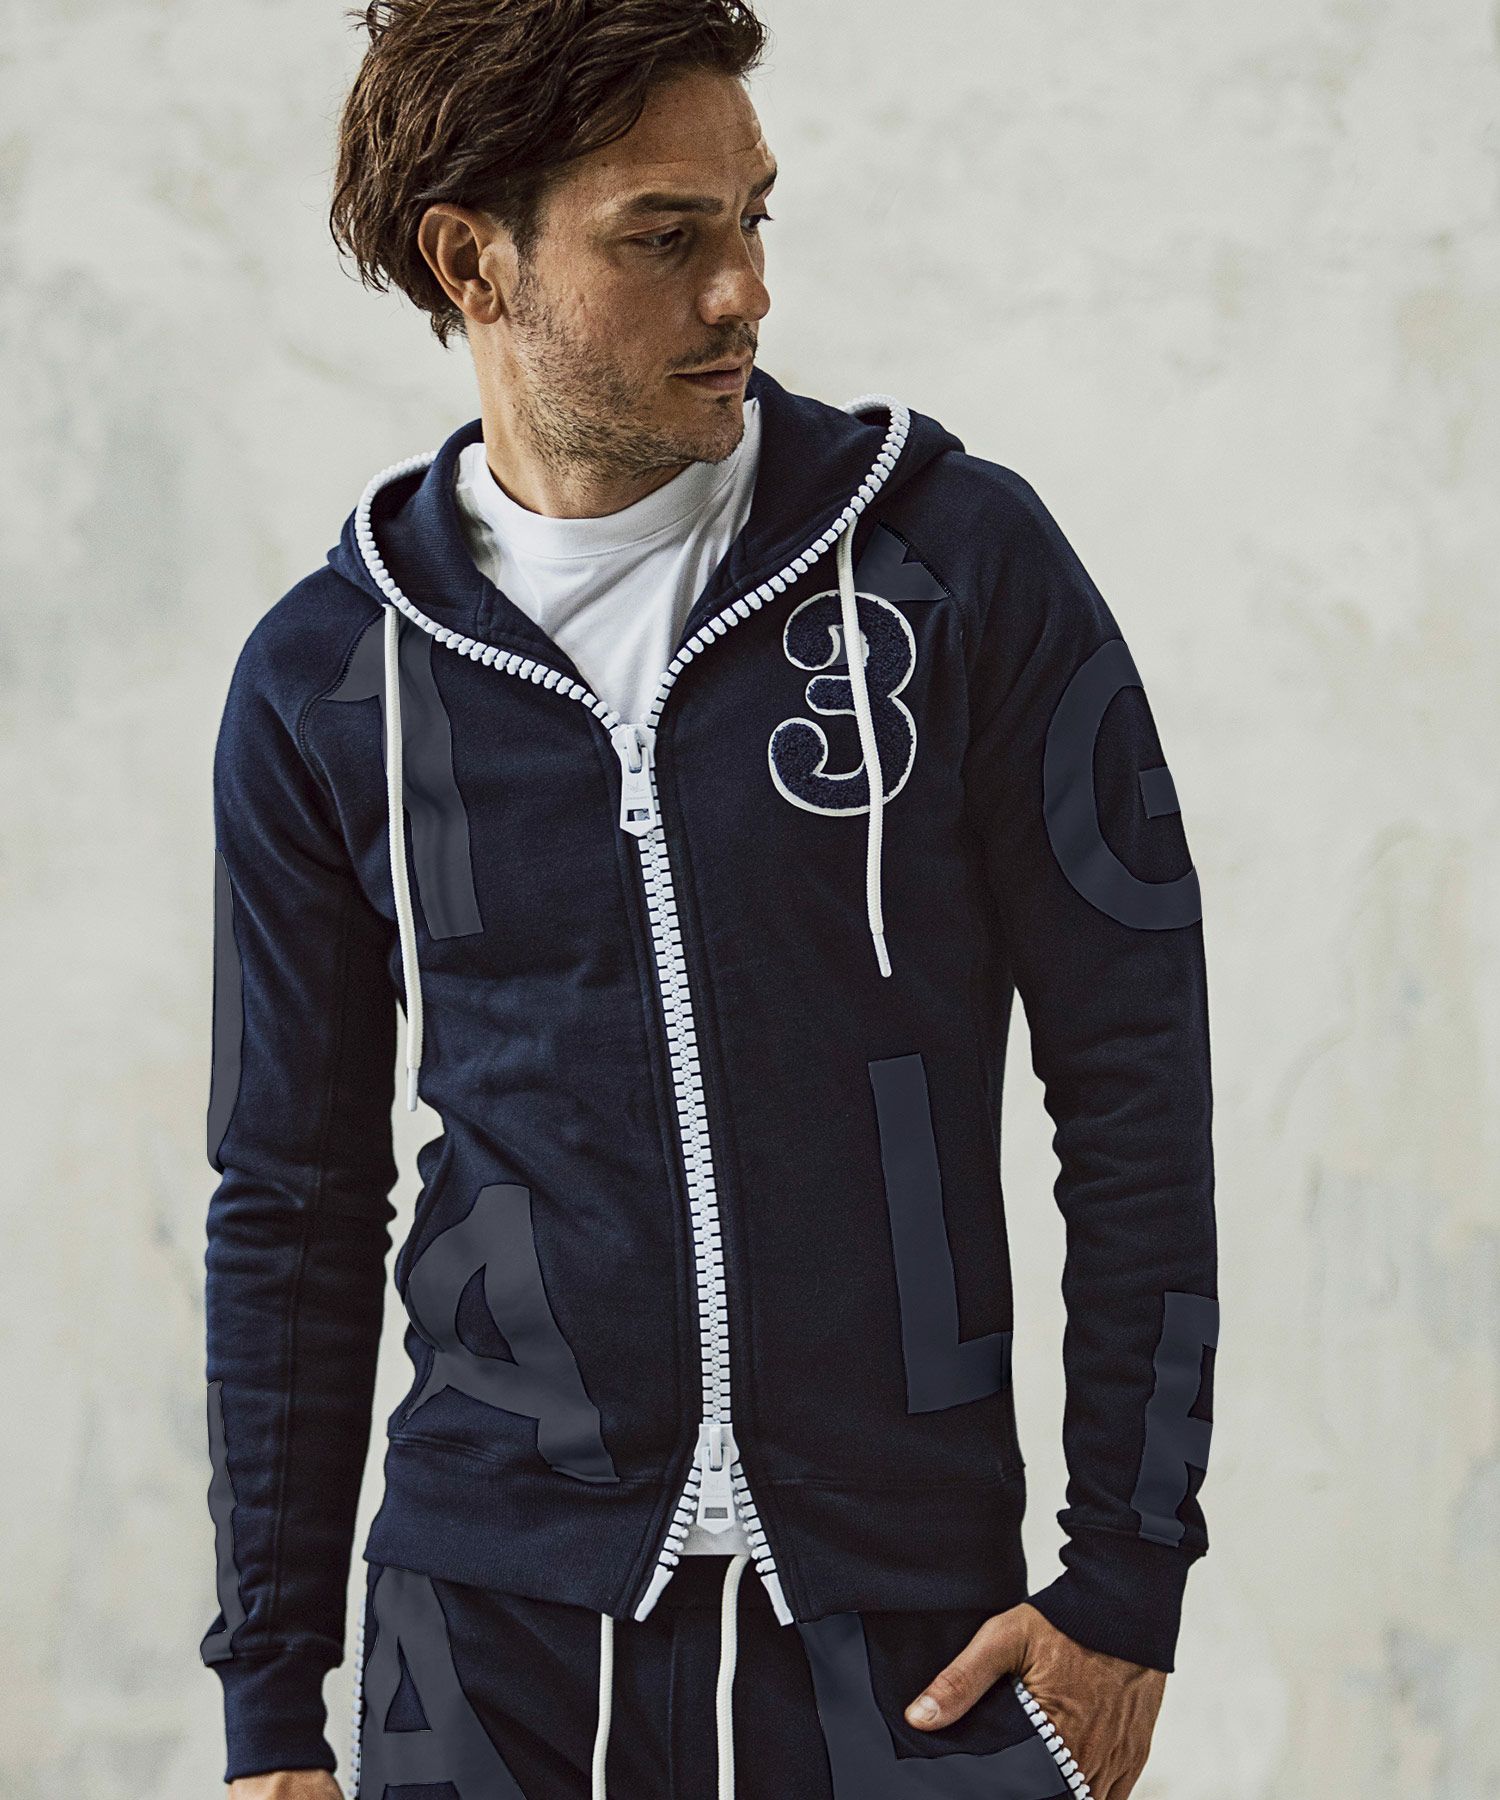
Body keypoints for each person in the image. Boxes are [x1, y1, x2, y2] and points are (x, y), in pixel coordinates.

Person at [197, 2, 1218, 1796]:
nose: (744, 289)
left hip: (907, 1633)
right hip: (482, 1644)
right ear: (472, 262)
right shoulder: (333, 680)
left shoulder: (951, 568)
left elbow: (1136, 1073)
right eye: (664, 238)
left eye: (751, 218)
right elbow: (292, 1198)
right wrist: (274, 1706)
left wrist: (1127, 1582)